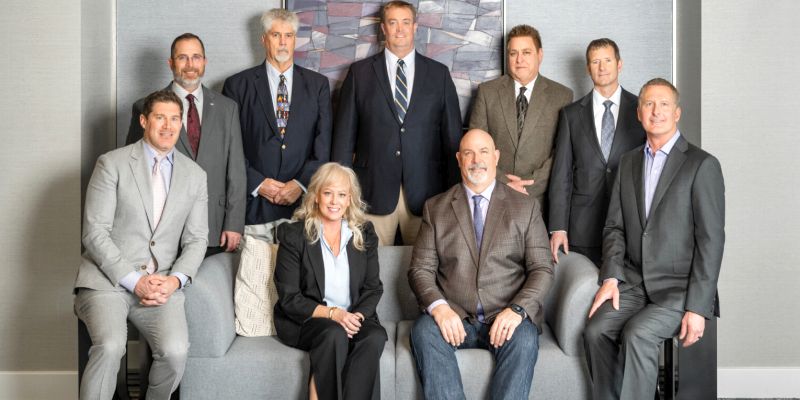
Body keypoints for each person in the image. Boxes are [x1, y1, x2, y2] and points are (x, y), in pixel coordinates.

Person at [583, 78, 725, 400]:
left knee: (637, 334)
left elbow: (711, 242)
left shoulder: (702, 165)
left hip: (680, 289)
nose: (656, 111)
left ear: (677, 113)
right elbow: (614, 227)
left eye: (664, 104)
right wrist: (611, 277)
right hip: (634, 283)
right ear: (639, 113)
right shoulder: (628, 163)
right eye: (648, 104)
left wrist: (697, 308)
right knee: (595, 331)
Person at [75, 90, 208, 399]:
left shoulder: (195, 176)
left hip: (161, 286)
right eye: (160, 117)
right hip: (108, 282)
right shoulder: (112, 163)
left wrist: (174, 281)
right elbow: (94, 232)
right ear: (144, 121)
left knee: (175, 352)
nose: (168, 126)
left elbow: (197, 239)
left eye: (174, 119)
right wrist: (134, 281)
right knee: (110, 346)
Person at [408, 129, 554, 399]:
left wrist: (518, 309)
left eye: (484, 152)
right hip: (455, 316)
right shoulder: (436, 208)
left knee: (524, 339)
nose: (477, 160)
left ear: (496, 157)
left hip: (505, 314)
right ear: (459, 159)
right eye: (469, 153)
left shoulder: (526, 207)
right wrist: (440, 308)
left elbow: (542, 268)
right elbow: (420, 269)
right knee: (424, 331)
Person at [332, 0, 462, 246]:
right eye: (393, 23)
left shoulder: (439, 74)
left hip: (428, 194)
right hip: (372, 191)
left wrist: (454, 194)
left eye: (405, 22)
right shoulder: (360, 73)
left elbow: (452, 139)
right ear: (383, 28)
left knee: (426, 265)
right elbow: (343, 139)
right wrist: (340, 192)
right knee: (368, 264)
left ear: (415, 27)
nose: (400, 29)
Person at [273, 162, 386, 400]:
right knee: (333, 334)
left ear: (349, 199)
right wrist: (334, 314)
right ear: (316, 196)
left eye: (342, 195)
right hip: (311, 320)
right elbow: (290, 298)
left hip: (353, 315)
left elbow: (373, 288)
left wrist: (355, 317)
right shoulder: (294, 235)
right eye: (328, 193)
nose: (335, 201)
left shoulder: (364, 233)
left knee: (373, 337)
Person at [127, 33, 246, 257]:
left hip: (214, 225)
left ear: (205, 61)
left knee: (210, 280)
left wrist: (234, 223)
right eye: (182, 58)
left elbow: (236, 171)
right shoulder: (144, 107)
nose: (190, 65)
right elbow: (133, 171)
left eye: (196, 57)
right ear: (171, 63)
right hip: (160, 228)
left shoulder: (227, 108)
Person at [223, 8, 332, 229]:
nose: (283, 42)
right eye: (276, 35)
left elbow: (323, 144)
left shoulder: (318, 85)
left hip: (304, 206)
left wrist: (300, 184)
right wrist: (258, 183)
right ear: (264, 39)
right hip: (254, 206)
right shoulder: (237, 86)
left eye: (288, 35)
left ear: (295, 40)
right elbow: (229, 146)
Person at [548, 38, 646, 266]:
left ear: (619, 64)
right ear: (588, 68)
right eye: (595, 62)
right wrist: (558, 227)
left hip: (628, 225)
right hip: (582, 227)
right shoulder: (571, 115)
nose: (602, 67)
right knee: (582, 285)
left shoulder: (641, 110)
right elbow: (562, 174)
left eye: (607, 60)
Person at [469, 24, 573, 207]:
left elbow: (562, 153)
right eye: (513, 53)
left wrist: (529, 186)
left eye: (526, 52)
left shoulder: (562, 96)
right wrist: (504, 182)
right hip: (495, 196)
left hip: (540, 201)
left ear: (540, 55)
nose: (519, 60)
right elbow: (475, 147)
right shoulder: (487, 92)